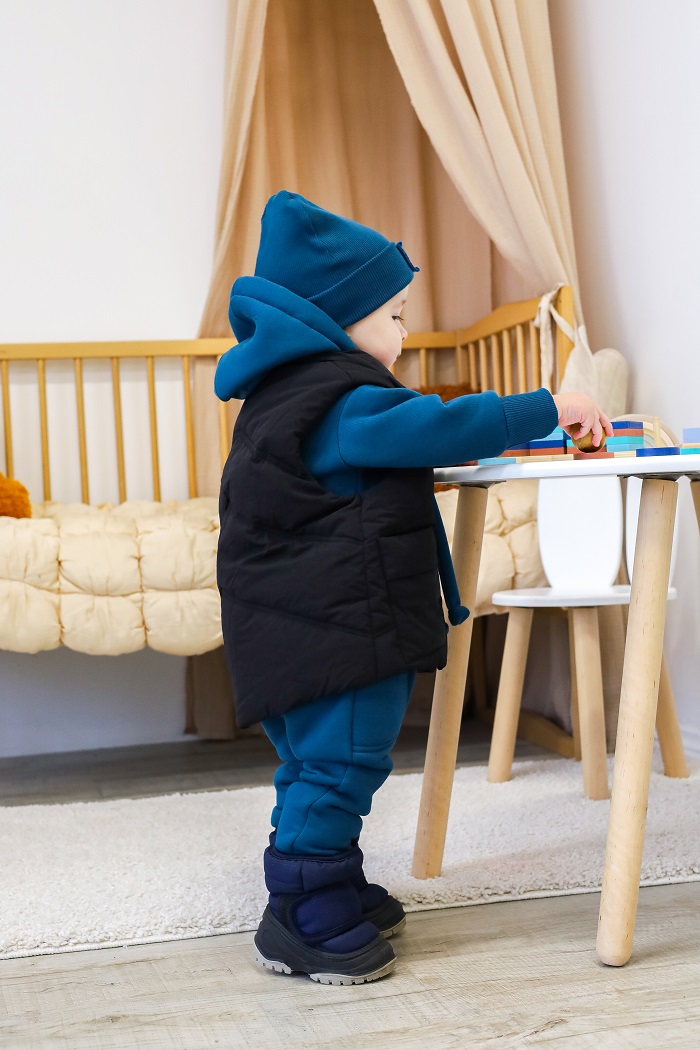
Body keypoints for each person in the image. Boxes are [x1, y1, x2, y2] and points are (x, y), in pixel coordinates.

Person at [215, 190, 612, 986]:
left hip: (305, 629)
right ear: (337, 319)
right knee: (340, 765)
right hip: (337, 632)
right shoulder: (343, 401)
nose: (403, 334)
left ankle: (328, 880)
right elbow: (439, 425)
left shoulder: (290, 401)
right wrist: (548, 405)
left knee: (321, 766)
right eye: (394, 316)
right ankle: (299, 913)